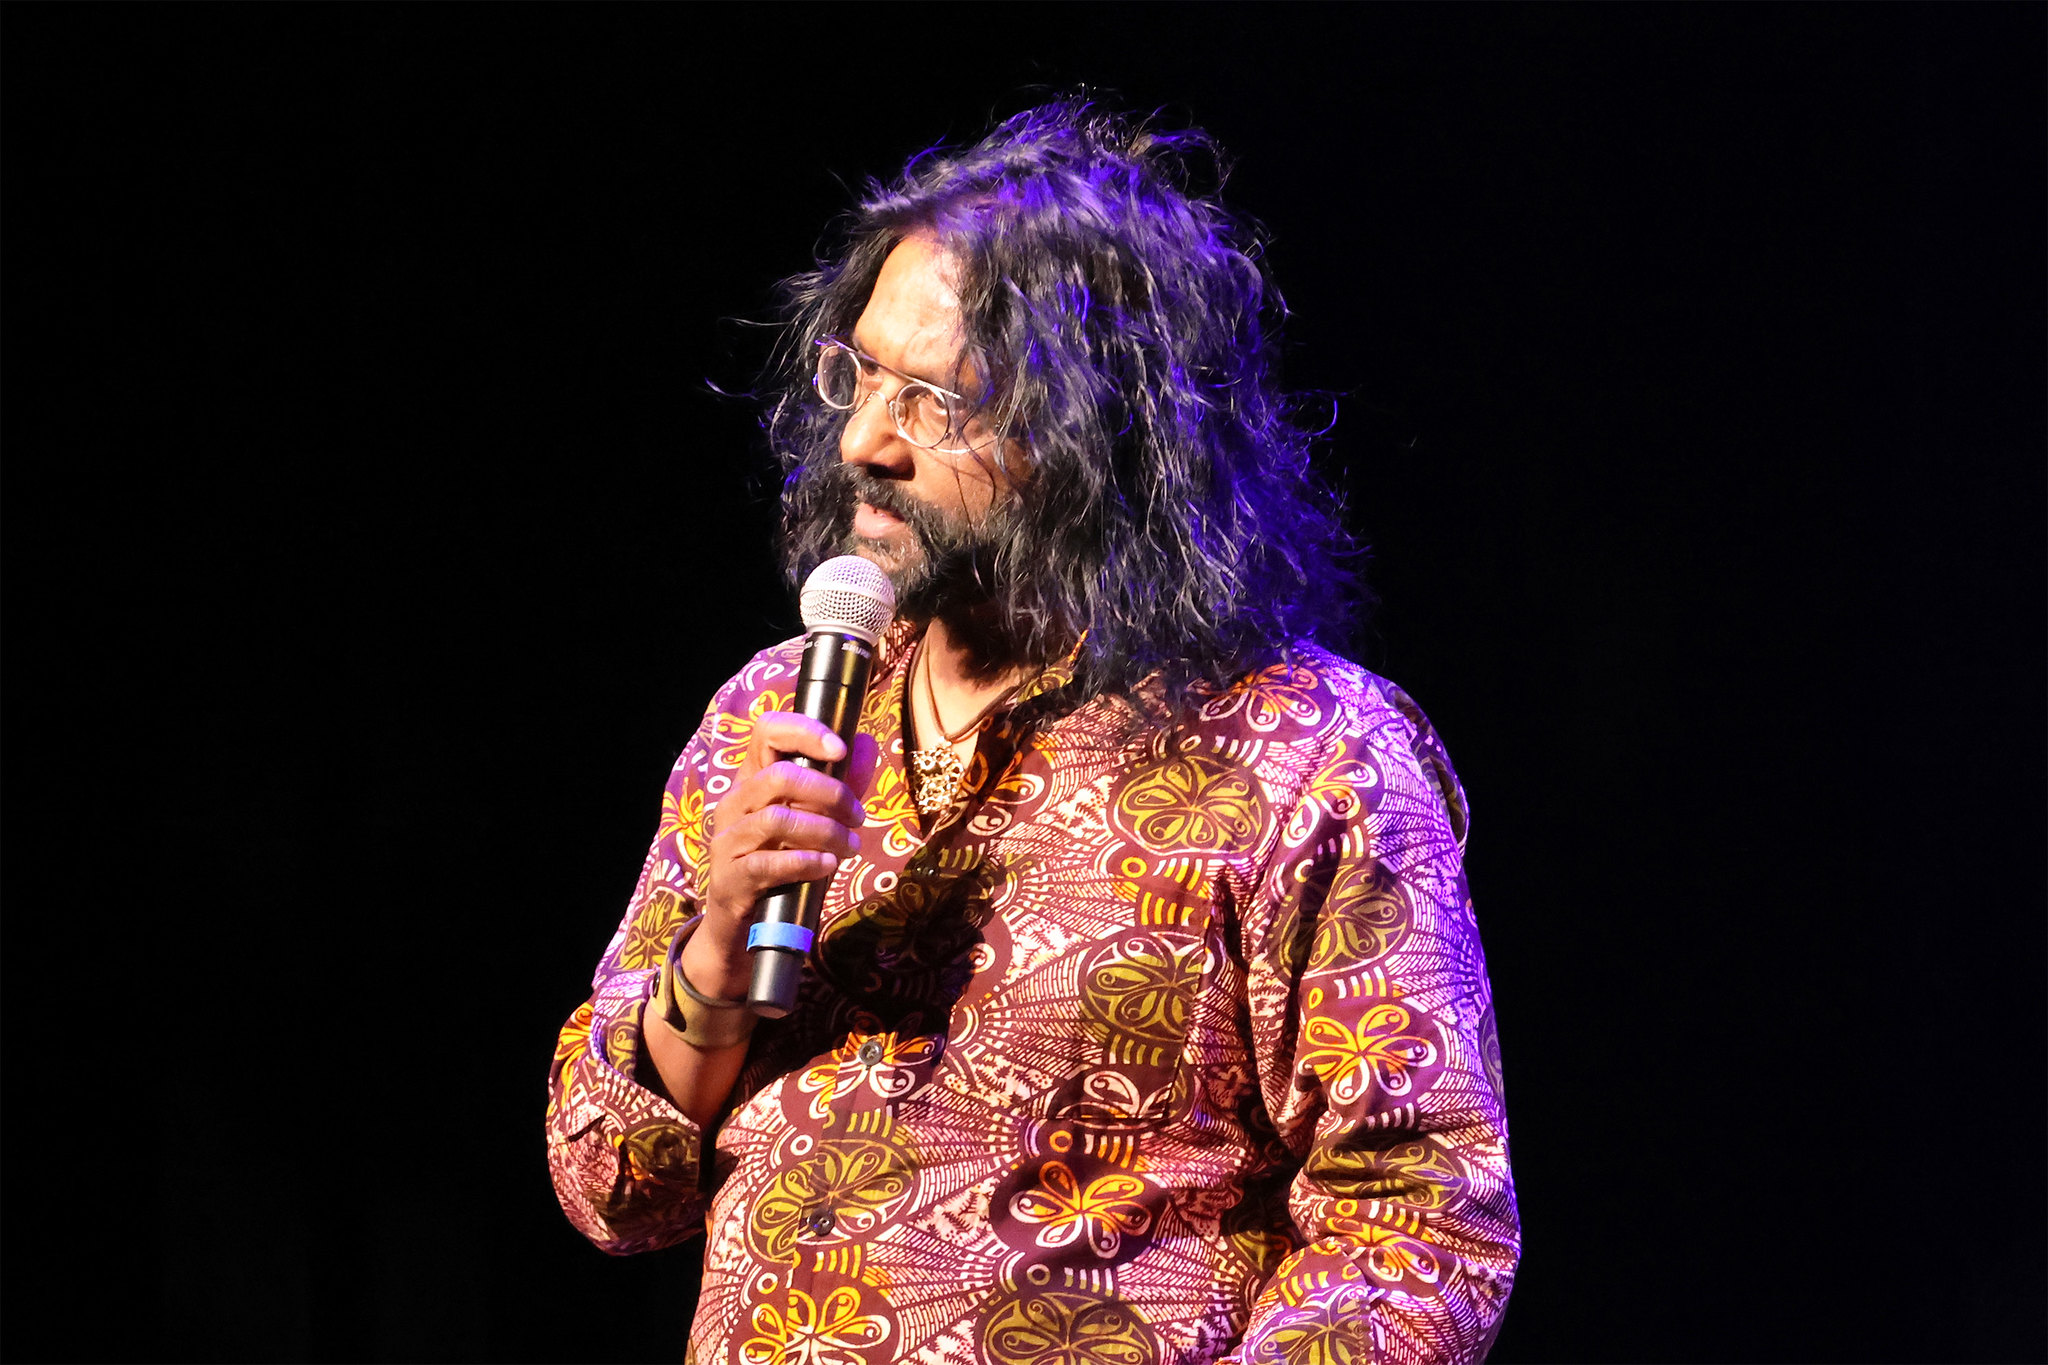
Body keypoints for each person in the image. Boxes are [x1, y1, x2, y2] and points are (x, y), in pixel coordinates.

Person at [547, 101, 1519, 1365]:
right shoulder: (771, 711)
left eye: (932, 403)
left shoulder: (1310, 754)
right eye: (858, 375)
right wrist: (721, 939)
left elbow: (1414, 1233)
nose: (860, 443)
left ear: (1093, 441)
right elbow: (611, 1183)